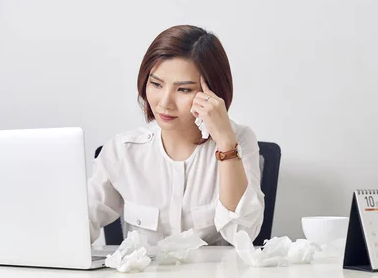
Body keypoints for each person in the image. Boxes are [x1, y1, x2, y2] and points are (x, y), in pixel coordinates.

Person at [88, 25, 264, 245]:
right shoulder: (123, 150)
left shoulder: (239, 141)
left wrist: (226, 144)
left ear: (213, 93)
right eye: (156, 84)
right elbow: (79, 224)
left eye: (184, 89)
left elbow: (242, 235)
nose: (164, 103)